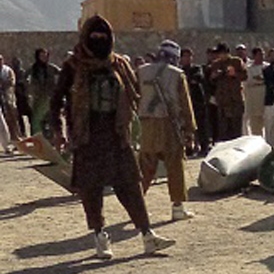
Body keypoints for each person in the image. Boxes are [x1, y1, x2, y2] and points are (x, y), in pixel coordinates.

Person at [48, 15, 174, 258]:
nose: (98, 41)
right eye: (93, 36)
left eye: (103, 36)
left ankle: (148, 235)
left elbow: (134, 93)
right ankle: (99, 236)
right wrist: (58, 131)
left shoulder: (118, 64)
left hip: (117, 134)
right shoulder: (73, 66)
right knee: (91, 189)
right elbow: (56, 101)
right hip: (87, 136)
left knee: (130, 185)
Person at [136, 40, 197, 221]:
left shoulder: (141, 71)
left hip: (146, 124)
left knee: (145, 167)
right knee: (175, 166)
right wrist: (190, 130)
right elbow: (186, 105)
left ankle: (137, 206)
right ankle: (178, 208)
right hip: (169, 125)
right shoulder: (177, 75)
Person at [207, 43, 247, 142]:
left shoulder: (236, 62)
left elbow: (244, 76)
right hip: (222, 100)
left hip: (235, 99)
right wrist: (215, 76)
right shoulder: (216, 64)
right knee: (223, 128)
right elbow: (211, 80)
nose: (220, 56)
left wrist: (234, 74)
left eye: (221, 53)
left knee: (236, 127)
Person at [179, 48, 209, 156]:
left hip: (197, 101)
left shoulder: (196, 68)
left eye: (189, 56)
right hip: (185, 102)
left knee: (201, 126)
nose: (187, 58)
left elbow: (198, 78)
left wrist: (190, 81)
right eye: (185, 56)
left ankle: (203, 147)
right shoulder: (179, 71)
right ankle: (189, 147)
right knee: (187, 126)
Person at [27, 48, 60, 136]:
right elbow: (25, 80)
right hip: (38, 98)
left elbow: (62, 75)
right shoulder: (33, 69)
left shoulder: (52, 68)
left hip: (50, 97)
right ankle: (38, 138)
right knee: (37, 120)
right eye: (42, 55)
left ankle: (50, 138)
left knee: (50, 119)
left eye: (45, 55)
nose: (44, 57)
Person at [243, 47, 267, 136]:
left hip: (264, 97)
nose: (261, 56)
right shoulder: (248, 68)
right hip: (253, 98)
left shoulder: (267, 67)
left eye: (262, 54)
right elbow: (247, 81)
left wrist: (260, 80)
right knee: (255, 123)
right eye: (259, 55)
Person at [0, 54, 21, 146]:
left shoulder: (7, 70)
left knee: (12, 118)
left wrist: (4, 84)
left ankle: (15, 137)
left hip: (8, 97)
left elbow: (12, 81)